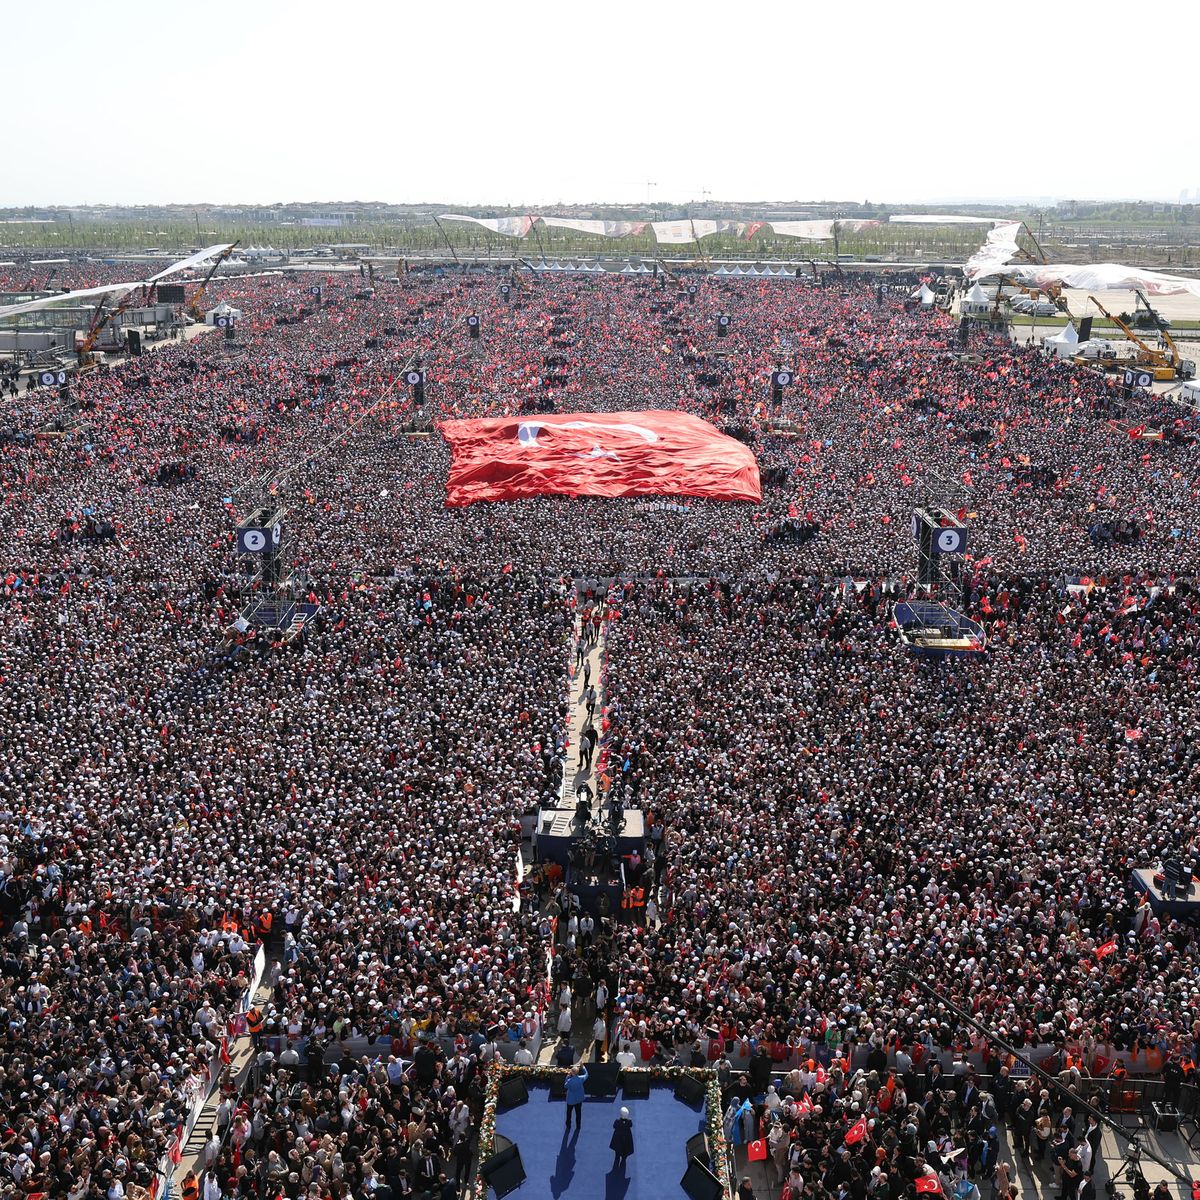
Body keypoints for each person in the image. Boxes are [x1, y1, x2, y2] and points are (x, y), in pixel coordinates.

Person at [565, 1063, 588, 1131]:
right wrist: (583, 1067)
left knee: (569, 1113)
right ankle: (578, 1126)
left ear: (572, 1073)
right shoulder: (581, 1078)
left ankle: (568, 1125)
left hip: (570, 1100)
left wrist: (567, 1077)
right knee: (578, 1113)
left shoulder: (569, 1081)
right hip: (578, 1099)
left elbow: (565, 1086)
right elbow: (587, 1074)